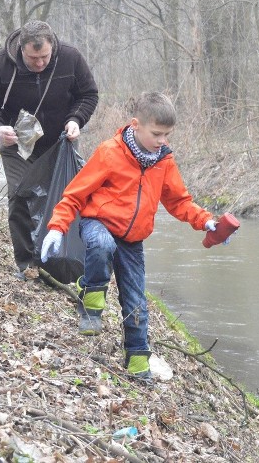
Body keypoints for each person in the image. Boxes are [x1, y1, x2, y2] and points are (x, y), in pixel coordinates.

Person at [39, 92, 226, 380]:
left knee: (137, 302)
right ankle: (91, 298)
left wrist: (207, 222)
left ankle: (138, 361)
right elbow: (76, 193)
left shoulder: (163, 161)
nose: (162, 140)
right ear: (136, 125)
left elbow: (179, 202)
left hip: (133, 240)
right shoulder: (109, 152)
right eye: (157, 133)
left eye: (167, 134)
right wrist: (56, 226)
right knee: (102, 245)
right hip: (98, 223)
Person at [0, 20, 98, 278]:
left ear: (52, 46)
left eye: (44, 57)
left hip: (59, 142)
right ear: (22, 50)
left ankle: (63, 261)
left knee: (64, 199)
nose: (40, 63)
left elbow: (88, 95)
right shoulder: (1, 65)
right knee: (20, 195)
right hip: (17, 143)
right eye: (33, 58)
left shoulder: (71, 58)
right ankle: (28, 263)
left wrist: (75, 120)